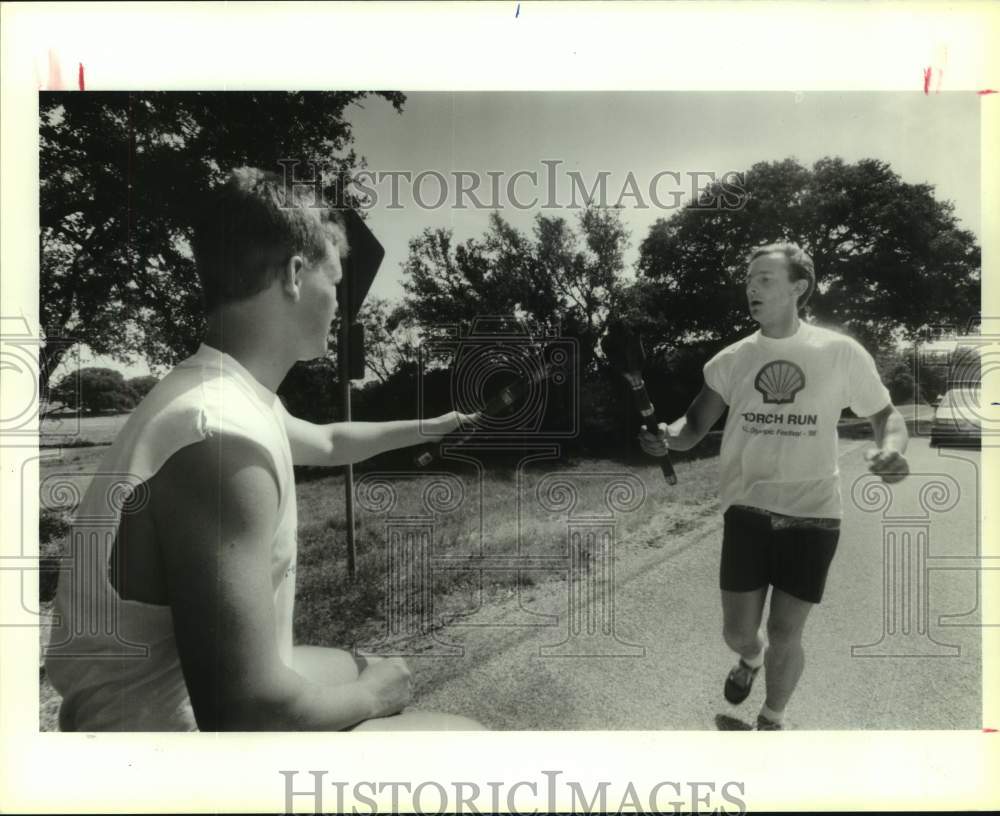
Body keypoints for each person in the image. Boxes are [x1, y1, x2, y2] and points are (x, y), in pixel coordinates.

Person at [45, 168, 483, 732]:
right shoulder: (218, 439)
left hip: (162, 704)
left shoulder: (226, 394)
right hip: (159, 755)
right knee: (462, 737)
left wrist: (438, 425)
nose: (340, 304)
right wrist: (373, 698)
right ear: (296, 275)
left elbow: (328, 441)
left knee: (357, 664)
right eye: (336, 280)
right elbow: (244, 710)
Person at [639, 242, 909, 730]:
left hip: (816, 513)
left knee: (787, 630)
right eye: (748, 280)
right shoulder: (732, 359)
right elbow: (693, 427)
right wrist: (666, 439)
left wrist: (892, 448)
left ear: (798, 287)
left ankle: (772, 717)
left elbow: (886, 416)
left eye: (764, 279)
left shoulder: (839, 352)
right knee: (740, 632)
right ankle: (750, 659)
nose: (751, 288)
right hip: (748, 509)